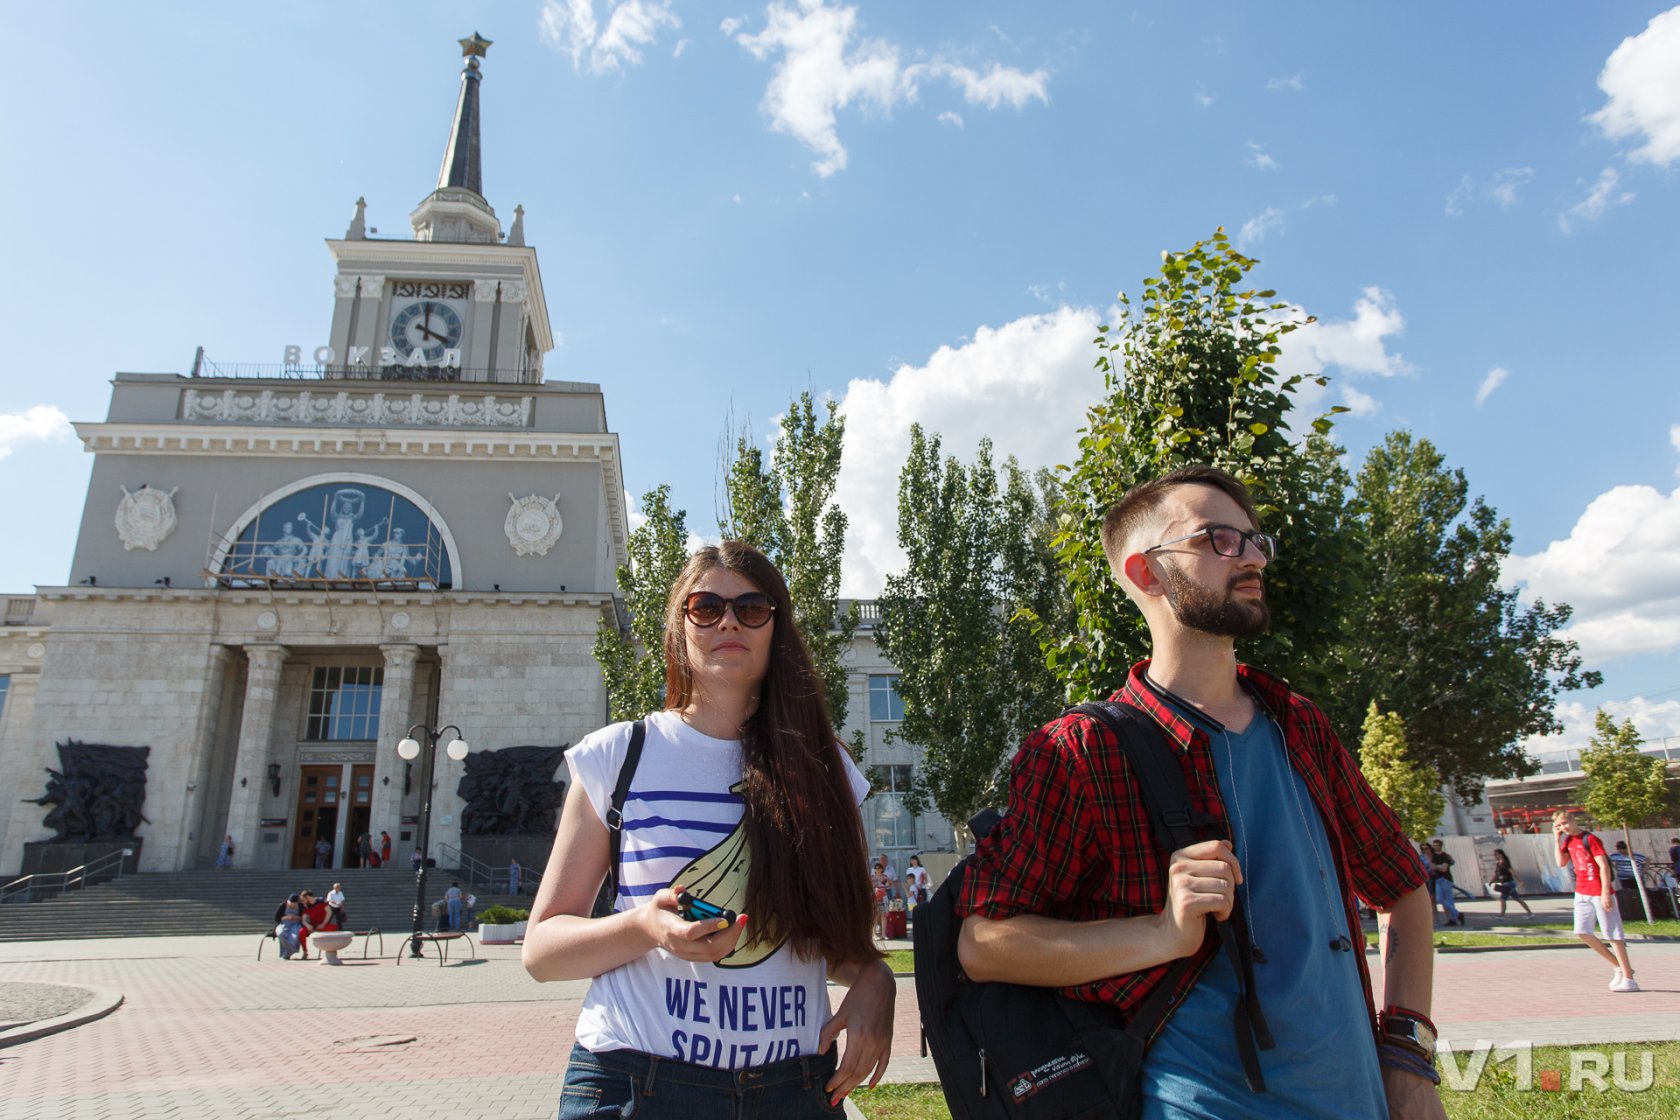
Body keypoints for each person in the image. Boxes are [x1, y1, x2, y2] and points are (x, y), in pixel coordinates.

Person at [955, 466, 1445, 1119]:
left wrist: (1408, 1060)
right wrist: (1161, 932)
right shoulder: (1081, 751)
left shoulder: (1300, 725)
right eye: (1218, 539)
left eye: (1253, 540)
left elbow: (1404, 887)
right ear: (1145, 572)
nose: (1251, 557)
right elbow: (982, 942)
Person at [523, 541, 893, 1117]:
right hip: (635, 1083)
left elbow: (826, 941)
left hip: (792, 1091)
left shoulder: (826, 771)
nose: (728, 621)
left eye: (751, 608)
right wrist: (645, 926)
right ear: (680, 626)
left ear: (777, 628)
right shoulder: (616, 756)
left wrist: (875, 979)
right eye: (705, 607)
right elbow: (542, 951)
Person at [1555, 811, 1638, 992]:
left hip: (1598, 891)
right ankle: (1620, 967)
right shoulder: (1567, 841)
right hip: (1581, 892)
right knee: (1582, 932)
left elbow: (1604, 866)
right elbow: (1561, 863)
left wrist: (1605, 892)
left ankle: (1629, 979)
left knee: (1613, 934)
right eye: (1559, 826)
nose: (1563, 828)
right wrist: (1556, 839)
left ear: (1572, 820)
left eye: (1564, 823)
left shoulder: (1590, 839)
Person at [1429, 841, 1465, 925]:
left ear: (1440, 846)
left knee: (1449, 899)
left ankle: (1453, 919)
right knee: (1439, 899)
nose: (1434, 847)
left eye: (1436, 845)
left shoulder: (1445, 856)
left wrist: (1437, 867)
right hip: (1437, 879)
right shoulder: (1434, 856)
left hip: (1446, 879)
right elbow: (1432, 867)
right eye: (1433, 845)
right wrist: (1439, 867)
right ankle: (1457, 914)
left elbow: (1444, 869)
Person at [1490, 849, 1532, 917]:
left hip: (1509, 883)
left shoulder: (1505, 862)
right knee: (1518, 899)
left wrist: (1520, 881)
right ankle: (1530, 913)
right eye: (1494, 855)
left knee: (1502, 899)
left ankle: (1501, 915)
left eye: (1496, 854)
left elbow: (1512, 872)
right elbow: (1496, 874)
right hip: (1505, 883)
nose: (1495, 856)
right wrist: (1492, 881)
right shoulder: (1498, 863)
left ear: (1501, 854)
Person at [275, 893, 303, 960]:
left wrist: (295, 917)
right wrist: (286, 917)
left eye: (294, 904)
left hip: (296, 924)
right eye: (291, 903)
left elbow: (303, 917)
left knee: (295, 935)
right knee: (280, 933)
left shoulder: (300, 906)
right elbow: (277, 918)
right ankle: (288, 951)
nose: (292, 905)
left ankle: (286, 953)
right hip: (284, 924)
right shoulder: (283, 905)